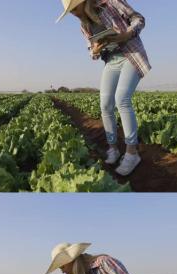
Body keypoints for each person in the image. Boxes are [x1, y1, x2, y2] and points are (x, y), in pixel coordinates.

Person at [57, 0, 152, 176]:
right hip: (111, 61)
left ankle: (132, 153)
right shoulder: (84, 26)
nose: (73, 13)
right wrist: (95, 50)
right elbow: (91, 52)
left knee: (122, 99)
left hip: (130, 54)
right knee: (105, 105)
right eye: (69, 11)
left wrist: (127, 34)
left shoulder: (111, 3)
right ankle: (113, 148)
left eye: (74, 8)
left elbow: (139, 19)